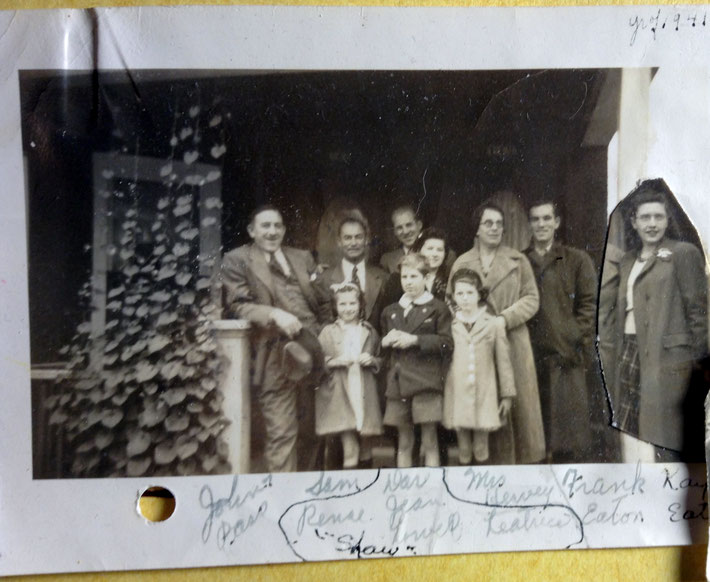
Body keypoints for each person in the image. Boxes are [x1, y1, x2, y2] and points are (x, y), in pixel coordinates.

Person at [601, 179, 708, 461]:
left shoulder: (682, 254)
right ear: (634, 222)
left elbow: (699, 313)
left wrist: (699, 366)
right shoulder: (627, 261)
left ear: (666, 219)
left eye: (658, 217)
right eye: (645, 217)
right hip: (630, 353)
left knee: (668, 440)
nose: (652, 223)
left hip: (667, 360)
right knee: (635, 431)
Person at [220, 204, 327, 473]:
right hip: (274, 358)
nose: (272, 231)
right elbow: (238, 305)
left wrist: (324, 333)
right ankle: (282, 497)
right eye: (265, 226)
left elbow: (325, 302)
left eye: (277, 226)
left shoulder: (302, 257)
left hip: (313, 353)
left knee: (313, 431)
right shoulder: (237, 259)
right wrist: (274, 313)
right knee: (282, 432)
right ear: (251, 231)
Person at [447, 202, 545, 464]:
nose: (494, 228)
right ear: (477, 229)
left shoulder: (517, 260)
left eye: (499, 224)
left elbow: (531, 299)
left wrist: (503, 318)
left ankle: (517, 471)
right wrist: (471, 323)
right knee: (478, 408)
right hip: (475, 347)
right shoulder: (462, 262)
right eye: (487, 223)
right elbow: (450, 301)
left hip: (512, 340)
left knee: (514, 405)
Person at [523, 200, 598, 463]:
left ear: (557, 222)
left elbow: (589, 306)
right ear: (529, 224)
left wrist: (575, 339)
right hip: (530, 356)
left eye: (547, 219)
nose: (541, 224)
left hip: (566, 356)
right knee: (535, 438)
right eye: (535, 219)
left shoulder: (576, 259)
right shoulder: (521, 260)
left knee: (567, 440)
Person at [380, 253, 453, 468]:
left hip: (426, 382)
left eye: (414, 276)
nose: (409, 282)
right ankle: (406, 492)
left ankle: (431, 490)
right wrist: (384, 342)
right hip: (399, 383)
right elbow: (384, 350)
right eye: (405, 277)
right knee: (404, 442)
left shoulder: (438, 308)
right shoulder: (390, 311)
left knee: (429, 441)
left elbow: (447, 343)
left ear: (425, 277)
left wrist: (415, 340)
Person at [443, 269, 515, 464]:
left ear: (479, 294)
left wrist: (507, 394)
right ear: (453, 296)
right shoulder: (450, 324)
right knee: (463, 448)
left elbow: (504, 362)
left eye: (469, 293)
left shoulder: (492, 324)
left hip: (485, 393)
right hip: (457, 392)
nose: (465, 299)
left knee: (481, 447)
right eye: (460, 294)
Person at [316, 283, 383, 469]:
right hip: (341, 394)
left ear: (360, 305)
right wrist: (333, 361)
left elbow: (381, 359)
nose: (348, 309)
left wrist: (372, 360)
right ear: (335, 307)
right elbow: (317, 361)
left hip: (364, 391)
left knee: (366, 447)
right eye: (342, 304)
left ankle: (365, 488)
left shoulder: (369, 331)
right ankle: (349, 488)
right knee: (350, 447)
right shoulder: (328, 332)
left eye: (352, 304)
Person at [314, 212, 392, 332]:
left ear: (366, 240)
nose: (353, 243)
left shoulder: (383, 277)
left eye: (358, 237)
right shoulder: (325, 279)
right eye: (347, 238)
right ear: (339, 242)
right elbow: (324, 323)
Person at [379, 205, 456, 275]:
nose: (405, 231)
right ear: (395, 232)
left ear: (419, 225)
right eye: (399, 228)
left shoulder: (447, 255)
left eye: (409, 225)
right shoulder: (387, 260)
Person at [411, 227, 452, 301]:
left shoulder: (450, 277)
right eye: (430, 248)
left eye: (439, 250)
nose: (434, 254)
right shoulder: (405, 277)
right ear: (419, 250)